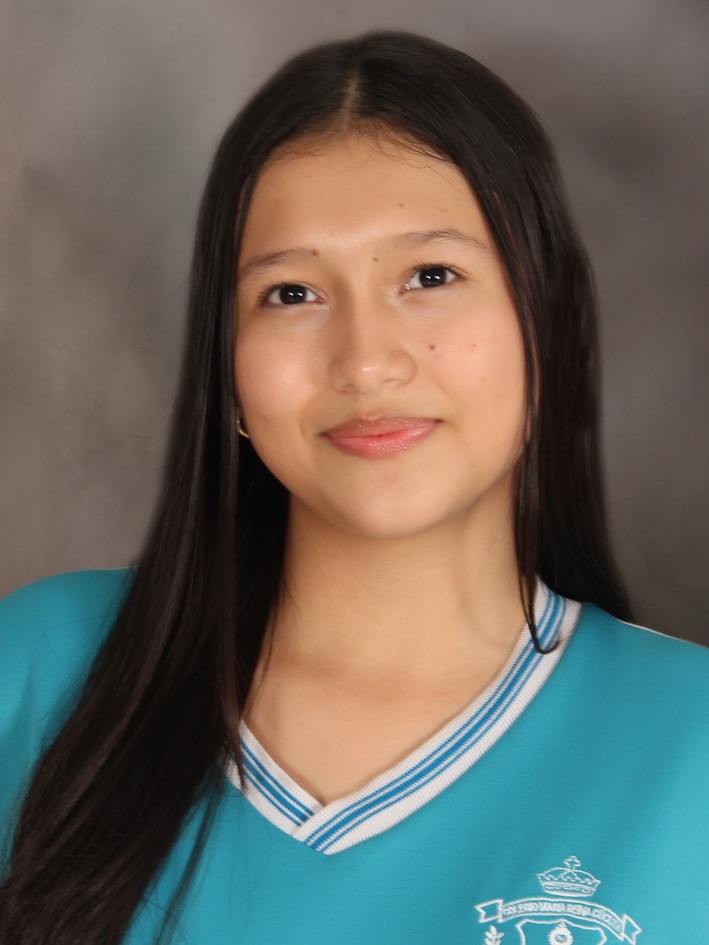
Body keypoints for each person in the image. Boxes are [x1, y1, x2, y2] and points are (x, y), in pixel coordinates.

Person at [1, 30, 707, 945]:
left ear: (547, 323)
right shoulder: (41, 667)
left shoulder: (687, 738)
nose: (366, 362)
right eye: (292, 293)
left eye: (430, 276)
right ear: (228, 366)